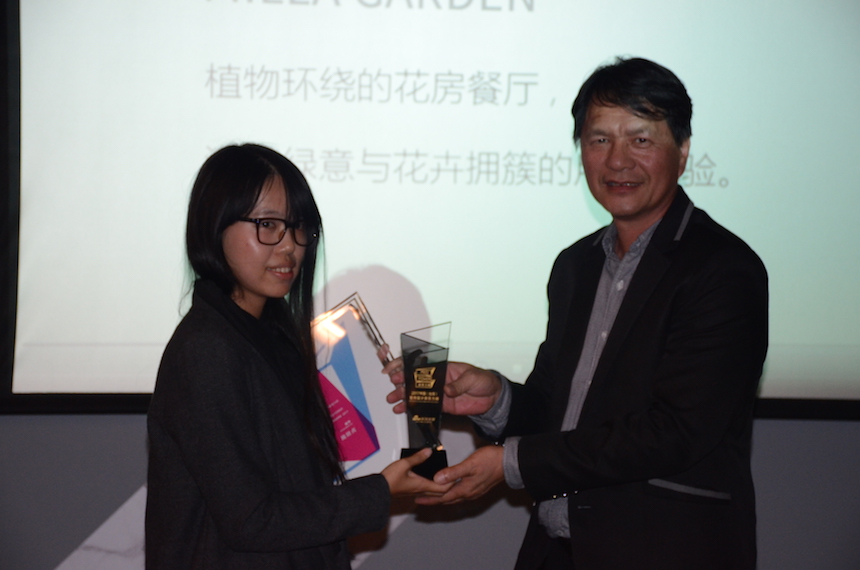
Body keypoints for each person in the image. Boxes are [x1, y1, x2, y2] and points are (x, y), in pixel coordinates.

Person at [386, 57, 768, 569]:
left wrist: (510, 463)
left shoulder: (722, 268)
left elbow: (675, 431)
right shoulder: (575, 265)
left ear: (682, 151)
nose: (617, 161)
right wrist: (496, 398)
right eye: (599, 139)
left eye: (640, 139)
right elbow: (558, 412)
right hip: (557, 550)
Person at [146, 144, 450, 569]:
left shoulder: (276, 337)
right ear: (214, 227)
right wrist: (379, 492)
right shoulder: (206, 350)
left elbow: (304, 475)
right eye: (268, 225)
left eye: (299, 227)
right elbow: (252, 520)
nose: (289, 246)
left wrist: (381, 392)